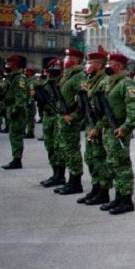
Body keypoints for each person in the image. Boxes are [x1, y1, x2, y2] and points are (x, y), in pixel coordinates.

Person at [96, 53, 135, 214]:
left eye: (111, 63)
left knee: (122, 165)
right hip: (108, 129)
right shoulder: (109, 82)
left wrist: (126, 127)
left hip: (120, 129)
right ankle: (118, 197)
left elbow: (133, 110)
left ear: (119, 66)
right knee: (113, 164)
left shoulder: (127, 84)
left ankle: (126, 200)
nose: (108, 66)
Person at [78, 50, 112, 206]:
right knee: (91, 158)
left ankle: (103, 191)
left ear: (99, 65)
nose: (88, 65)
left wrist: (97, 127)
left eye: (91, 63)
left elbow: (106, 110)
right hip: (89, 125)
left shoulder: (104, 81)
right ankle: (95, 187)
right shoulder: (90, 80)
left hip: (99, 127)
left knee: (100, 160)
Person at [54, 49, 88, 195]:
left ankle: (75, 182)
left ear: (77, 60)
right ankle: (68, 180)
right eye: (66, 56)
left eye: (70, 57)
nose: (66, 59)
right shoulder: (67, 74)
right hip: (63, 118)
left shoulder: (79, 76)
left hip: (71, 120)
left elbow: (83, 100)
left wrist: (74, 116)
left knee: (72, 150)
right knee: (65, 150)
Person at [39, 59, 66, 187]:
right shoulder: (47, 82)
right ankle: (55, 173)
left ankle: (60, 175)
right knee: (49, 146)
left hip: (58, 118)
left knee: (58, 147)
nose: (54, 70)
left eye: (56, 67)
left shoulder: (62, 82)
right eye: (52, 67)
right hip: (48, 117)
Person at [0, 55, 29, 170]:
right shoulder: (11, 77)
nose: (7, 66)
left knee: (16, 135)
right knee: (13, 135)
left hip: (17, 111)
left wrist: (15, 109)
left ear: (15, 64)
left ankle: (17, 160)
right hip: (11, 108)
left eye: (9, 64)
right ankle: (15, 158)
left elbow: (21, 97)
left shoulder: (19, 78)